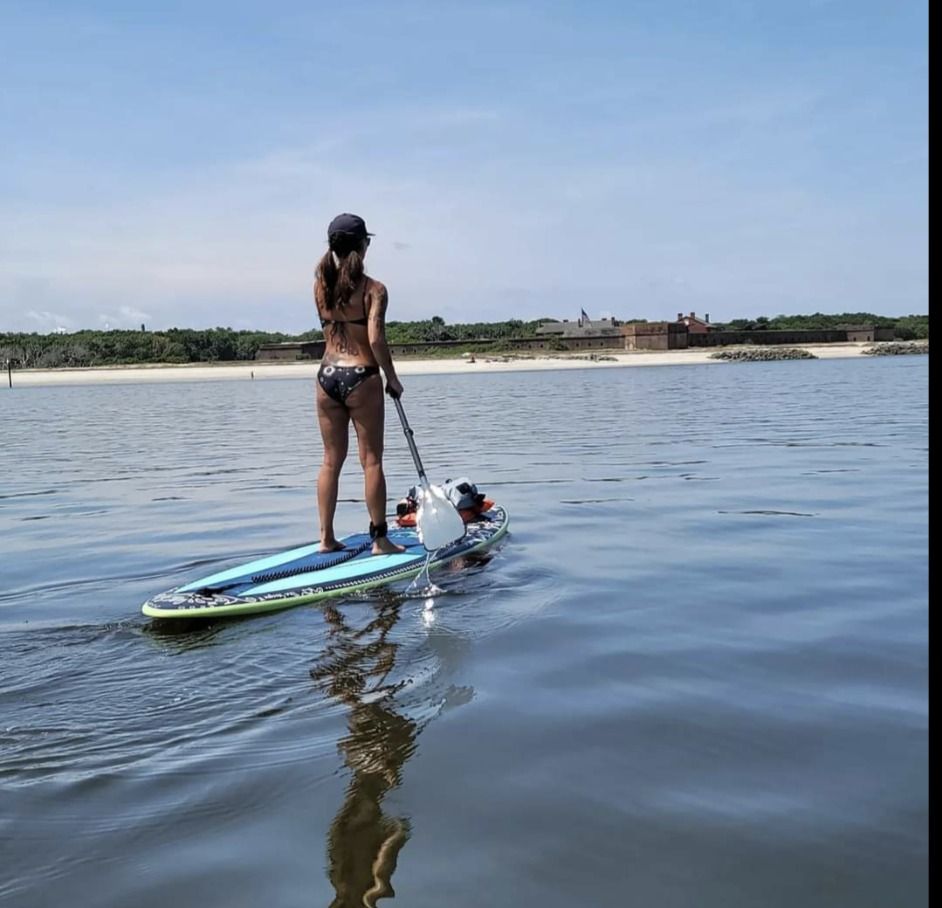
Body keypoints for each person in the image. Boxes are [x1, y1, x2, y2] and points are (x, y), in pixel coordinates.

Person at [314, 213, 405, 555]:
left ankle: (325, 539)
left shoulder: (319, 284)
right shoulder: (374, 290)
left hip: (326, 377)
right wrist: (392, 378)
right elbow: (376, 340)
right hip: (361, 376)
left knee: (329, 461)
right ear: (363, 246)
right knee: (372, 462)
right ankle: (380, 539)